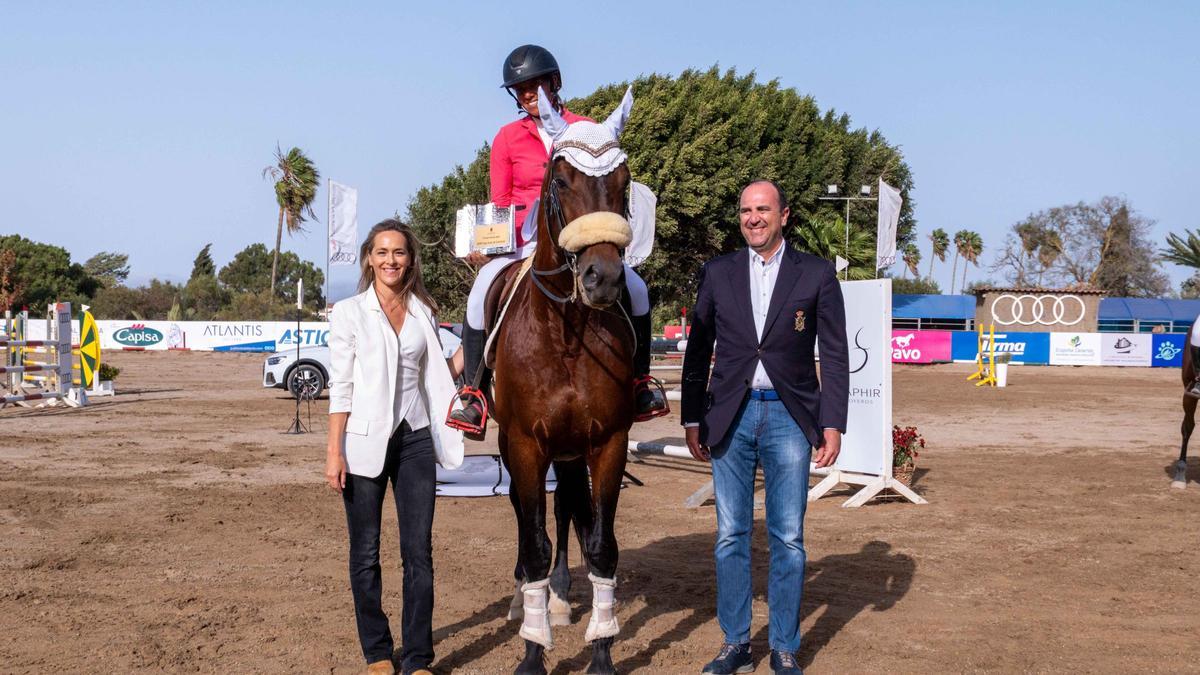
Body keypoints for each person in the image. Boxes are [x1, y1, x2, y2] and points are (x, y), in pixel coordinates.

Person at [447, 43, 665, 436]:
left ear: (555, 81)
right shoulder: (507, 138)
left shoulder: (587, 129)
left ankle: (641, 384)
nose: (530, 94)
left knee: (638, 288)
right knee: (480, 292)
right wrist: (492, 241)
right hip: (527, 243)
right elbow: (502, 200)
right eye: (522, 89)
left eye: (536, 85)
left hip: (581, 237)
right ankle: (473, 395)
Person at [681, 180, 849, 675]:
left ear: (784, 215)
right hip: (728, 417)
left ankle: (784, 647)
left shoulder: (817, 275)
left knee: (788, 537)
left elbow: (835, 355)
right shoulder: (717, 272)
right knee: (730, 534)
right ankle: (735, 644)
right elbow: (697, 352)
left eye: (763, 209)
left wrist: (833, 422)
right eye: (746, 211)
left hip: (789, 418)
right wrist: (693, 415)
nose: (753, 218)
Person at [325, 219, 465, 675]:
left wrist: (477, 347)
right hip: (364, 444)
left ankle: (419, 657)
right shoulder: (348, 313)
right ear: (370, 258)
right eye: (382, 252)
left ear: (410, 260)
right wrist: (334, 450)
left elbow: (438, 372)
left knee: (418, 552)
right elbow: (341, 388)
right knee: (365, 551)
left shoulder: (424, 310)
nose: (391, 260)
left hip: (417, 440)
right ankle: (378, 651)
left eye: (399, 252)